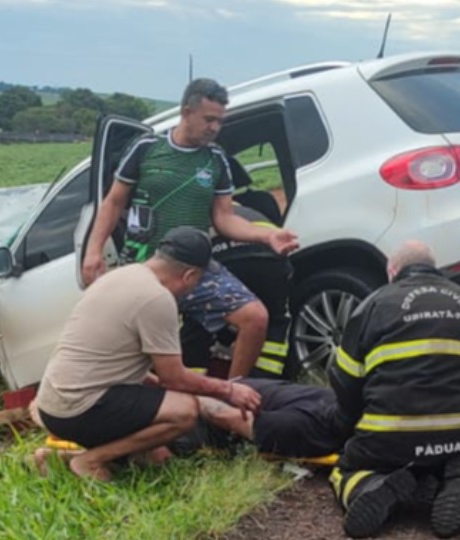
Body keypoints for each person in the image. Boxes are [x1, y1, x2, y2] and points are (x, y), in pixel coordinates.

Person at [81, 77, 299, 379]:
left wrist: (268, 234)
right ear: (186, 112)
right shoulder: (146, 149)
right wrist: (93, 251)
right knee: (135, 345)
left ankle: (233, 393)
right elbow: (113, 203)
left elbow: (225, 218)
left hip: (195, 268)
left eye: (219, 122)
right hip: (146, 267)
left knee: (256, 317)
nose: (214, 128)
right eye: (209, 119)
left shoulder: (216, 160)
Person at [33, 227, 261, 481]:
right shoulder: (157, 299)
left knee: (157, 458)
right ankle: (91, 460)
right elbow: (173, 379)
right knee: (184, 411)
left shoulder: (120, 276)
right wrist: (229, 390)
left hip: (53, 405)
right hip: (80, 408)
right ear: (189, 275)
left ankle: (57, 459)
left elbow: (126, 365)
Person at [328, 241, 460, 539]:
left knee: (344, 469)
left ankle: (369, 486)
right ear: (434, 268)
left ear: (392, 271)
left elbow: (345, 380)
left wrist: (353, 429)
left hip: (390, 436)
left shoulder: (373, 304)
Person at [182, 205, 294, 379]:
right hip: (271, 258)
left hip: (224, 256)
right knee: (274, 322)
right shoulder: (250, 211)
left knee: (199, 320)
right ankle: (264, 384)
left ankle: (192, 384)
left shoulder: (200, 212)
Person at [170, 377, 345, 459]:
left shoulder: (340, 399)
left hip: (240, 387)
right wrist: (179, 396)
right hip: (199, 421)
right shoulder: (299, 426)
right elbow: (224, 416)